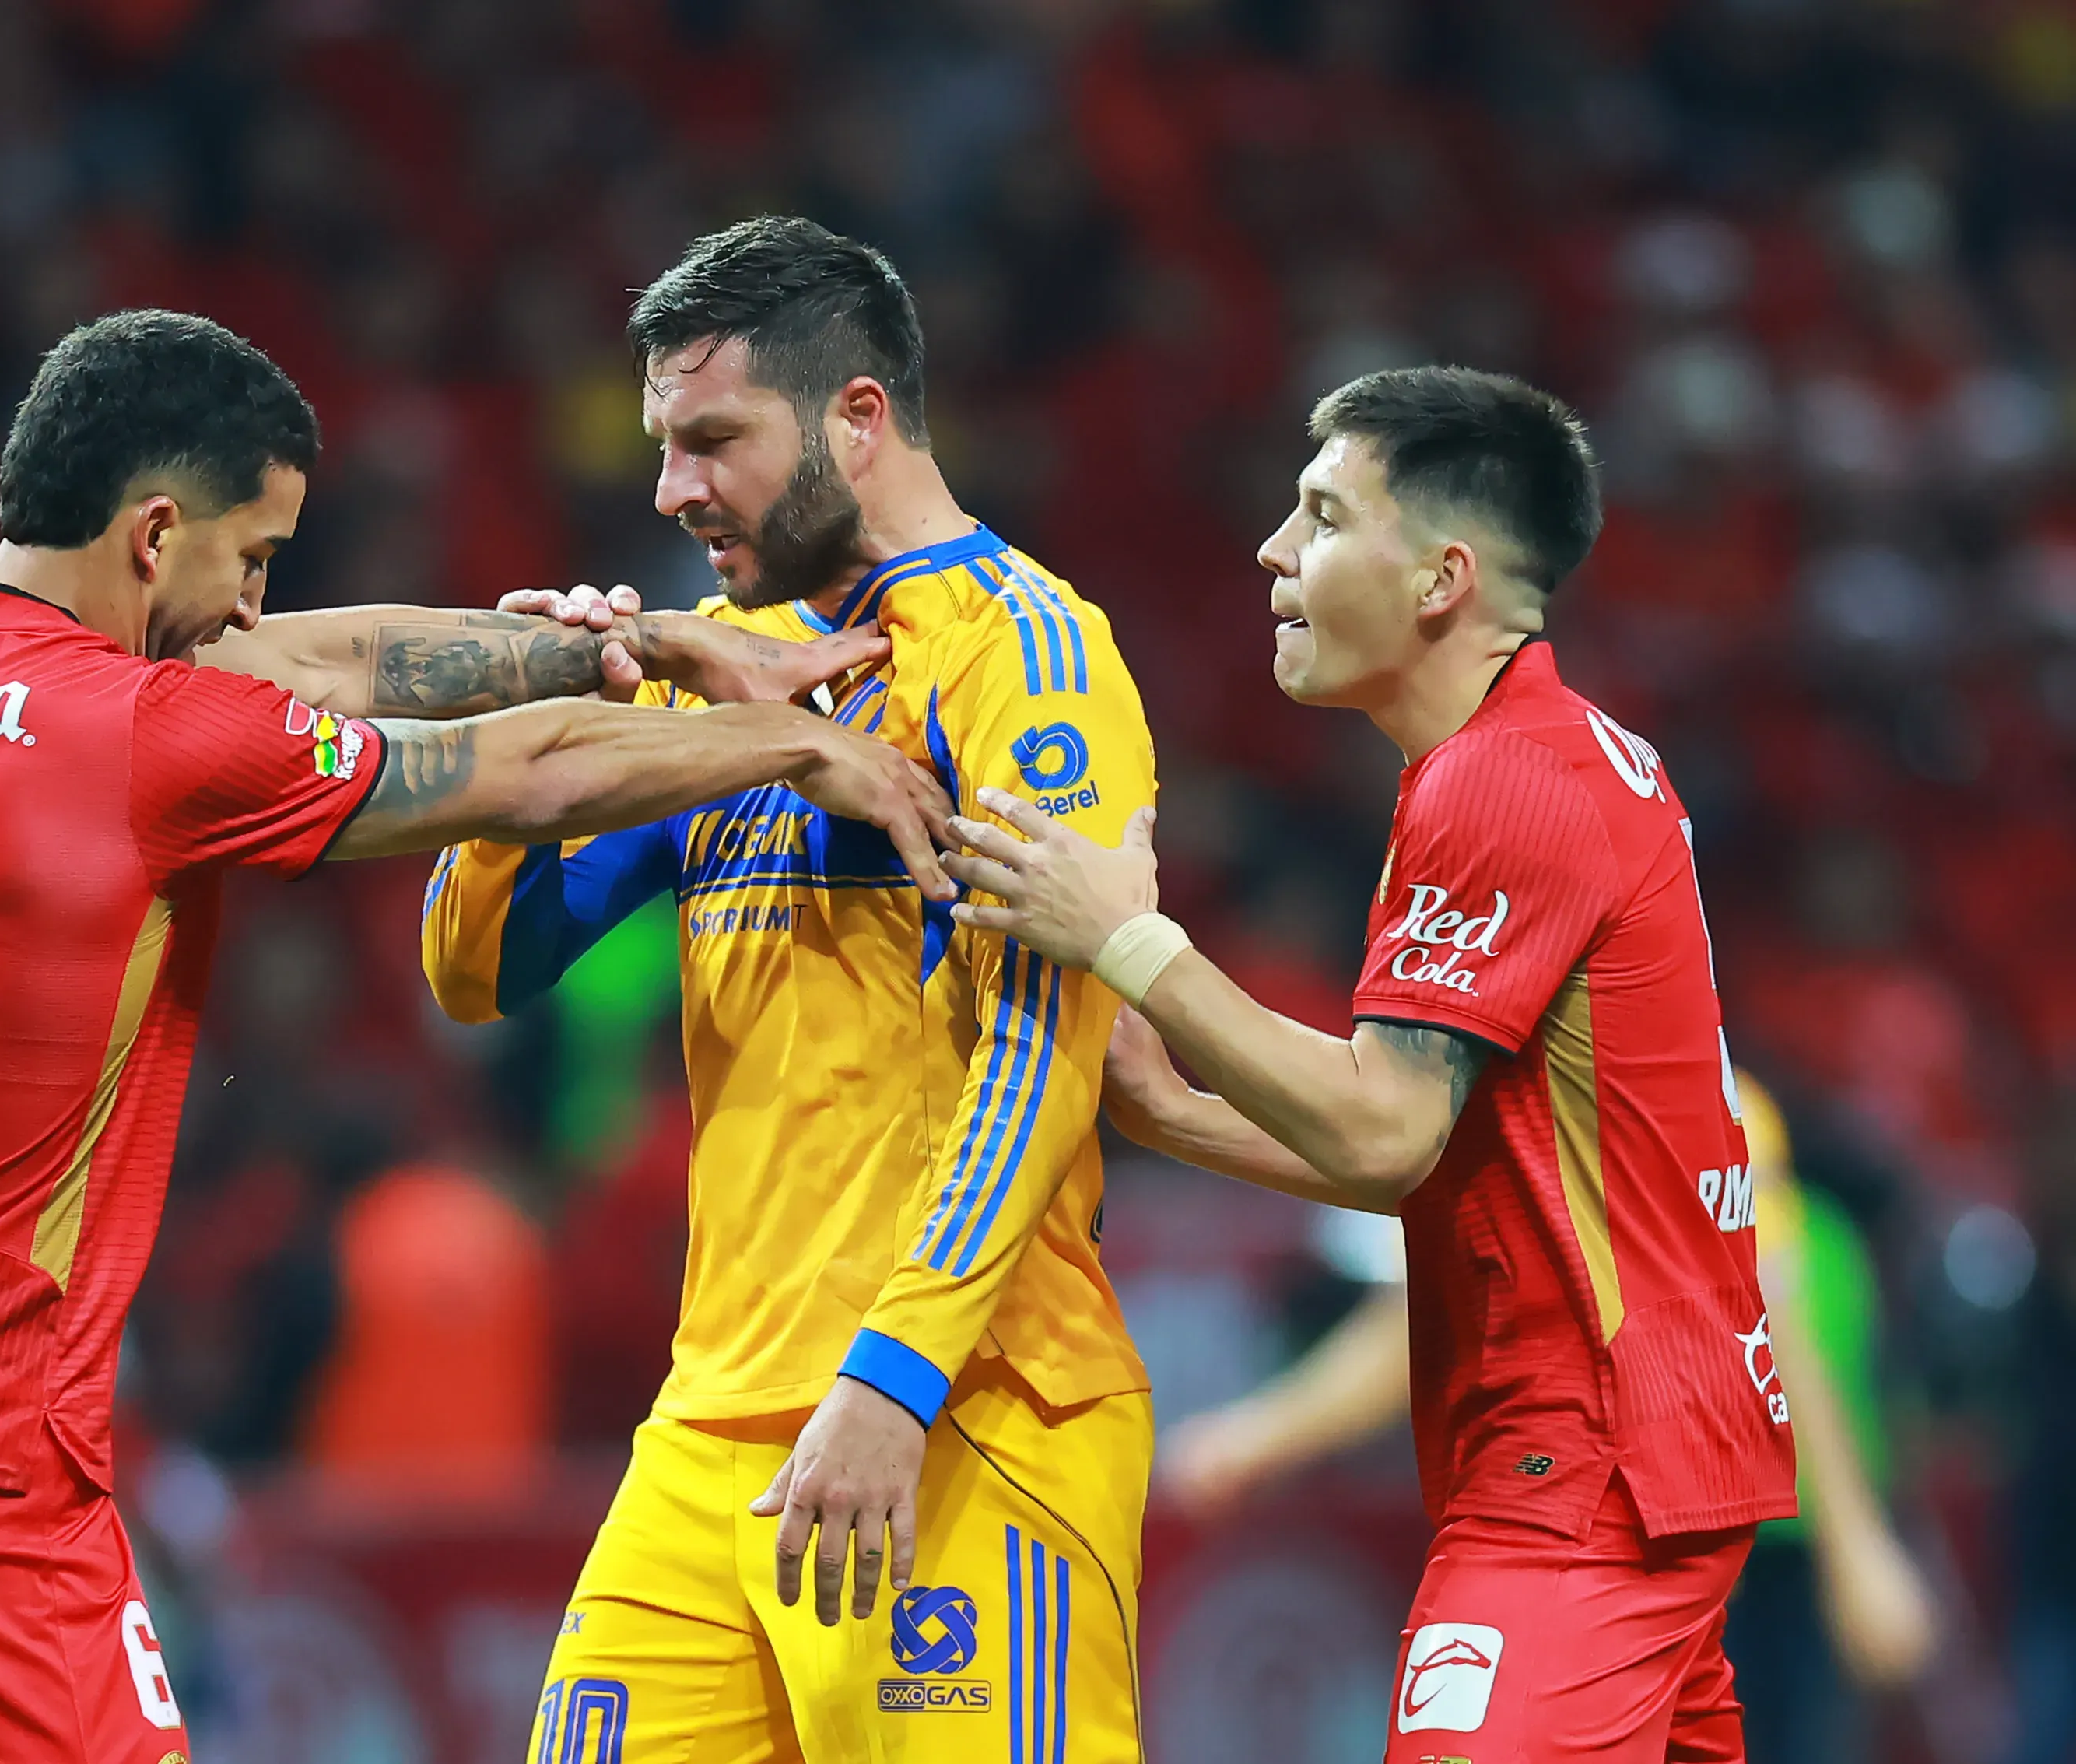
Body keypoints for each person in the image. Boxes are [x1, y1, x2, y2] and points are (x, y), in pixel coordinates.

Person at [0, 307, 952, 1764]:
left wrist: (655, 643)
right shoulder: (143, 735)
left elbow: (325, 657)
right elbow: (523, 784)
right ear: (155, 533)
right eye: (252, 558)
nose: (252, 608)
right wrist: (798, 744)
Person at [943, 366, 1798, 1762]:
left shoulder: (1498, 786)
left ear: (1440, 579)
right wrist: (1166, 1106)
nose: (1275, 551)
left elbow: (1390, 1131)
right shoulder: (1551, 757)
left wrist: (1130, 940)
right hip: (1640, 1443)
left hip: (1580, 1466)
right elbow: (1461, 1161)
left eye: (1323, 515)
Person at [423, 217, 1158, 1762]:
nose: (670, 489)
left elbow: (1037, 1055)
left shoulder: (1024, 653)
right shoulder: (734, 669)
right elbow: (474, 966)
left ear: (858, 417)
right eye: (660, 447)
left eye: (711, 440)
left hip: (960, 1412)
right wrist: (555, 698)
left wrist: (888, 1384)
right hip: (712, 1424)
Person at [1138, 1066, 1936, 1761]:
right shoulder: (1475, 1089)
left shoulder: (1664, 1086)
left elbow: (1770, 1316)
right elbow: (1408, 1317)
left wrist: (1855, 1546)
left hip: (1724, 1545)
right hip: (1592, 1525)